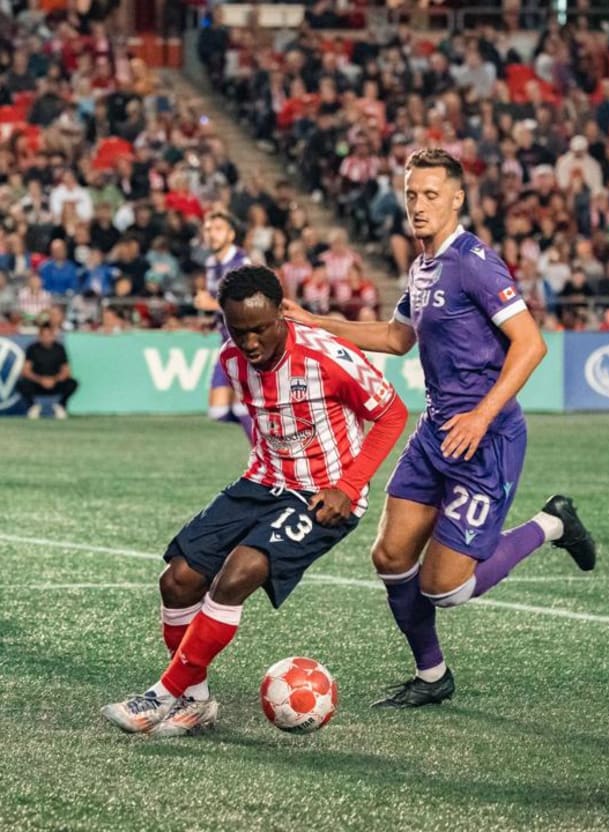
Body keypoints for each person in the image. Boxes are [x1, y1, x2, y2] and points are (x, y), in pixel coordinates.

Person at [283, 148, 596, 708]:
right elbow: (395, 337)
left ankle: (552, 523)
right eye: (412, 195)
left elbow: (531, 344)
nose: (419, 205)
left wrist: (481, 415)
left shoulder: (475, 262)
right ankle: (432, 676)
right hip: (435, 433)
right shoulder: (423, 266)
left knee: (446, 587)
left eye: (431, 194)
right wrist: (315, 323)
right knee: (389, 558)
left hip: (486, 439)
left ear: (457, 198)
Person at [101, 265, 407, 737]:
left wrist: (348, 487)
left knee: (239, 571)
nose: (249, 342)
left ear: (282, 315)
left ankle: (161, 694)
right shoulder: (231, 359)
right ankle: (196, 701)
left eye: (261, 329)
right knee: (178, 580)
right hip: (261, 482)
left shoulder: (326, 356)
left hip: (323, 495)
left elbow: (392, 414)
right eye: (238, 330)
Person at [193, 211, 253, 440]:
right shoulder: (211, 264)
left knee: (241, 406)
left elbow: (248, 305)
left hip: (247, 341)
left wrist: (211, 304)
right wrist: (212, 320)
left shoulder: (242, 264)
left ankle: (265, 452)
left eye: (218, 229)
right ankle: (266, 429)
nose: (212, 234)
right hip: (226, 340)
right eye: (208, 229)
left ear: (231, 234)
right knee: (218, 411)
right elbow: (222, 305)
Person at [16, 322, 79, 419]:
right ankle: (33, 407)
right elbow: (25, 371)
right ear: (39, 336)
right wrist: (41, 380)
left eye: (49, 335)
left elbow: (66, 371)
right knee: (21, 383)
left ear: (53, 336)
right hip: (37, 383)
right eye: (44, 335)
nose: (46, 338)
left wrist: (54, 380)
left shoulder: (59, 348)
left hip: (55, 383)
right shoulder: (32, 349)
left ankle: (61, 406)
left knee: (72, 383)